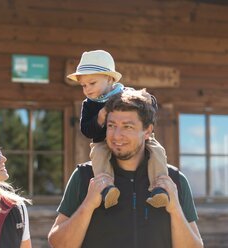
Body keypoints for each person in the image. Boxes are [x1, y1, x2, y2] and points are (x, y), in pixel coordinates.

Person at [48, 88, 203, 248]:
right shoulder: (85, 176)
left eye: (127, 127)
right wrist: (88, 205)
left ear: (148, 131)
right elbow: (57, 243)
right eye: (111, 125)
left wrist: (175, 209)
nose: (116, 135)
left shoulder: (174, 180)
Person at [67, 49, 169, 209]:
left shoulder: (125, 93)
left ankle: (159, 188)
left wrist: (149, 100)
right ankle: (107, 188)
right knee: (98, 154)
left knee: (157, 151)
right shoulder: (89, 105)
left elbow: (149, 105)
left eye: (92, 83)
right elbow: (86, 130)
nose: (87, 89)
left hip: (138, 141)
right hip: (102, 141)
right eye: (83, 85)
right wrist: (99, 118)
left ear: (109, 79)